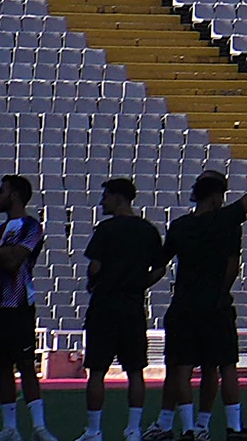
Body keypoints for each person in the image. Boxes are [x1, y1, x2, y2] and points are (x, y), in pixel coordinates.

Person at [163, 142, 247, 439]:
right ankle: (227, 427)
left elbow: (159, 264)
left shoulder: (180, 226)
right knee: (222, 367)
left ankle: (188, 429)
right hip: (216, 307)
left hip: (183, 306)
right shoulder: (226, 220)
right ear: (217, 195)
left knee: (181, 369)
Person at [80, 178, 168, 441]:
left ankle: (94, 431)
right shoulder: (148, 230)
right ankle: (134, 429)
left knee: (97, 371)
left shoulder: (106, 229)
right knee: (135, 371)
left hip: (105, 306)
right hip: (132, 307)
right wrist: (140, 284)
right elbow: (160, 268)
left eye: (106, 196)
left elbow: (95, 266)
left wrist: (93, 283)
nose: (102, 201)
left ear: (118, 198)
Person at [0, 176, 49, 441]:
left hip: (18, 306)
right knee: (2, 366)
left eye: (1, 191)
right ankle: (10, 428)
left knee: (26, 364)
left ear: (14, 195)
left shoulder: (32, 227)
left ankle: (38, 426)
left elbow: (15, 261)